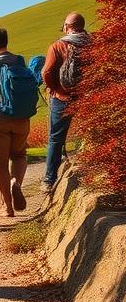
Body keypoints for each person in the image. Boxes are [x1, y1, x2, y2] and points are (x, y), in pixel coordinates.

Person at [0, 28, 38, 217]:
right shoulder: (20, 62)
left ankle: (7, 207)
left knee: (0, 163)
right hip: (21, 118)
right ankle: (15, 183)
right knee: (19, 155)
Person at [41, 12, 90, 192]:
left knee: (55, 137)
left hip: (62, 97)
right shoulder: (92, 45)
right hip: (88, 96)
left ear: (68, 26)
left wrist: (56, 89)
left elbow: (46, 72)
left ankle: (49, 179)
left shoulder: (58, 45)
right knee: (91, 133)